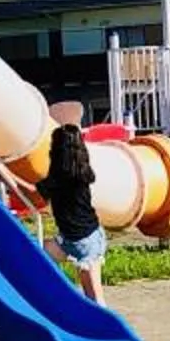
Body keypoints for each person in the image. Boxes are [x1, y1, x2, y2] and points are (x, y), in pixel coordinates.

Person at [43, 99, 107, 304]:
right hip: (79, 237)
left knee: (94, 296)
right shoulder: (81, 173)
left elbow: (32, 191)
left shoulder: (59, 179)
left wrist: (8, 174)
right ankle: (66, 300)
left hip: (83, 242)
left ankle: (107, 331)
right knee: (41, 257)